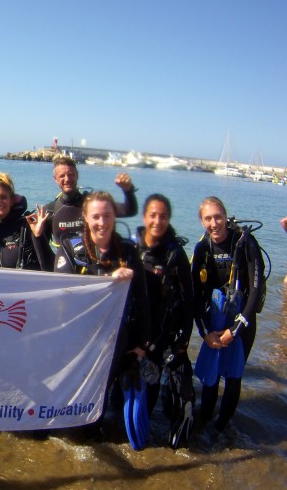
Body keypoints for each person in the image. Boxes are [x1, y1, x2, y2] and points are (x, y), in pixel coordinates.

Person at [54, 191, 151, 446]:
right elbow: (63, 294)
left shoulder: (129, 252)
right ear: (85, 217)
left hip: (115, 339)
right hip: (77, 338)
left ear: (114, 217)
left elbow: (142, 299)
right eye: (95, 216)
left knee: (101, 397)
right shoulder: (70, 247)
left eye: (107, 215)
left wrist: (143, 344)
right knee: (70, 393)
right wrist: (109, 282)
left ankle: (91, 439)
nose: (102, 222)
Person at [191, 196, 264, 432]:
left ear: (225, 215)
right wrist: (205, 333)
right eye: (208, 218)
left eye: (218, 216)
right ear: (202, 221)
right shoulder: (202, 248)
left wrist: (236, 330)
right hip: (215, 320)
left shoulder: (245, 243)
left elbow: (256, 290)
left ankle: (221, 428)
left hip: (243, 320)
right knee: (212, 373)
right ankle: (204, 422)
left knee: (233, 377)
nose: (214, 223)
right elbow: (195, 295)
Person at [135, 194, 195, 447]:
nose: (157, 220)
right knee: (123, 382)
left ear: (169, 219)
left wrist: (184, 339)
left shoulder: (175, 253)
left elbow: (189, 299)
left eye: (163, 216)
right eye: (153, 215)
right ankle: (123, 426)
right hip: (134, 327)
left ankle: (144, 429)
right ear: (144, 217)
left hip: (162, 331)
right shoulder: (132, 247)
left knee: (151, 382)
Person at [36, 155, 138, 271]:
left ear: (77, 175)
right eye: (62, 176)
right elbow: (43, 253)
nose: (67, 179)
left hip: (96, 266)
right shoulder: (51, 210)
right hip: (66, 268)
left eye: (71, 174)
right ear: (55, 179)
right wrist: (37, 236)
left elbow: (129, 210)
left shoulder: (93, 206)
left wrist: (128, 191)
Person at [0, 173, 39, 269]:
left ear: (12, 200)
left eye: (3, 197)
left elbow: (48, 265)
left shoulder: (27, 226)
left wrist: (39, 237)